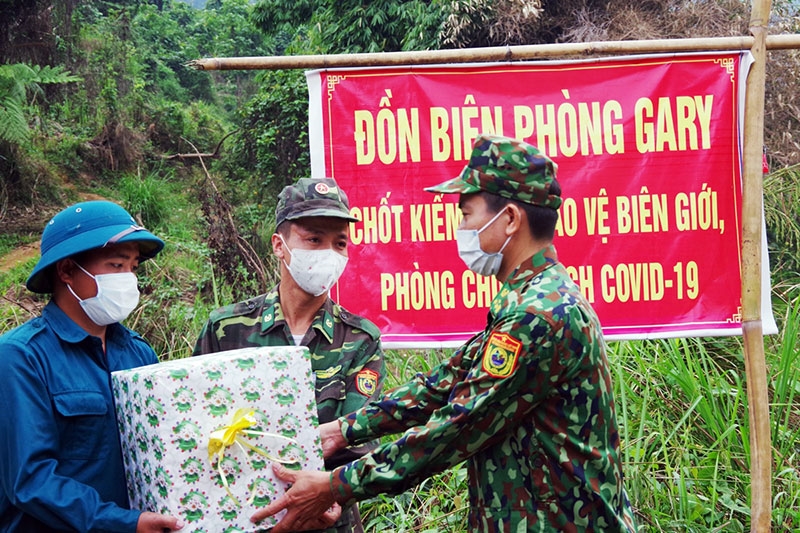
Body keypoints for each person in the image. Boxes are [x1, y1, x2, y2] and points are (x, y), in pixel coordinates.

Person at [251, 134, 638, 532]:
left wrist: (336, 485)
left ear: (508, 219)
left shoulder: (539, 315)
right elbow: (445, 383)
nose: (462, 228)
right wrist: (345, 429)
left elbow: (457, 427)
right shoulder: (528, 301)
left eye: (467, 214)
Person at [192, 177, 385, 533]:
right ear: (279, 246)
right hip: (241, 517)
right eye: (314, 239)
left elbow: (357, 441)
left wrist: (329, 498)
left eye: (339, 243)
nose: (328, 252)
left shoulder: (359, 338)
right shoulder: (227, 328)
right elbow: (196, 425)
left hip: (327, 521)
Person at [0, 201, 183, 532]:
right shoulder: (21, 357)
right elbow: (30, 479)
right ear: (67, 271)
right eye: (115, 265)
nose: (128, 280)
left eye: (133, 267)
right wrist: (125, 524)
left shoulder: (138, 354)